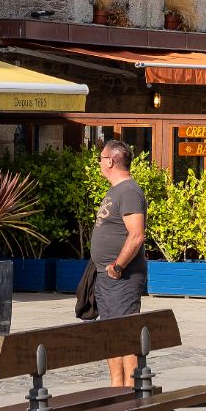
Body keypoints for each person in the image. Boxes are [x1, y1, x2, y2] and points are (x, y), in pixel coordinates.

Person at [92, 140, 149, 385]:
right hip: (105, 277)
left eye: (101, 158)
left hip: (121, 278)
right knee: (110, 331)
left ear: (110, 161)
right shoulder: (116, 190)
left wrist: (118, 266)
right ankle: (116, 384)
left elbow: (136, 234)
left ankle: (131, 386)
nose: (99, 163)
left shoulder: (129, 191)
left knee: (125, 331)